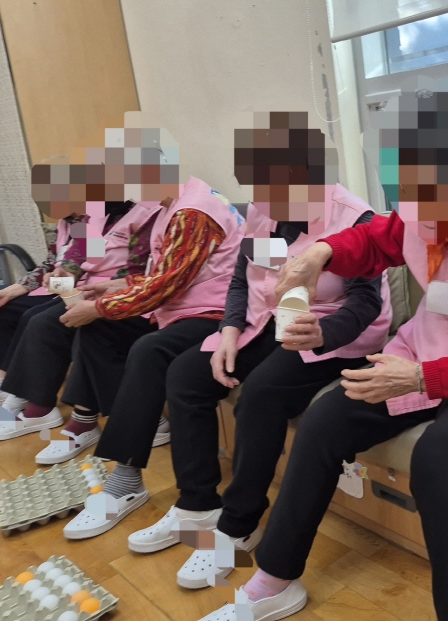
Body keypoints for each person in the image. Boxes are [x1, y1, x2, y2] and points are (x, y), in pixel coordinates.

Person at [197, 81, 448, 621]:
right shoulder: (422, 203)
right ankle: (275, 578)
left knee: (441, 455)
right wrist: (320, 252)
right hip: (433, 347)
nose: (418, 208)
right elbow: (378, 238)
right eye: (408, 186)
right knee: (326, 419)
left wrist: (418, 380)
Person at [67, 113, 392, 596]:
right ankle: (197, 504)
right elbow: (244, 279)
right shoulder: (264, 209)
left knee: (260, 394)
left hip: (332, 334)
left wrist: (321, 333)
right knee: (186, 374)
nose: (260, 197)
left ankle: (239, 525)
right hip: (267, 320)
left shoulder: (355, 219)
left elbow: (365, 303)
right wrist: (229, 331)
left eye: (270, 185)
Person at [30, 175, 244, 472]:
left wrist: (102, 304)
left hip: (210, 309)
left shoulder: (190, 212)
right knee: (91, 327)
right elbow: (160, 270)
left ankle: (124, 466)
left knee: (145, 347)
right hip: (172, 302)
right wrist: (115, 285)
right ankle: (84, 420)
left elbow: (165, 282)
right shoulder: (163, 206)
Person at [0, 116, 176, 443]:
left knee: (57, 322)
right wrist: (63, 277)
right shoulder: (95, 216)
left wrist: (90, 296)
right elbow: (78, 258)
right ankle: (22, 399)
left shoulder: (152, 215)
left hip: (148, 301)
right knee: (33, 316)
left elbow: (138, 272)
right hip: (99, 291)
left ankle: (81, 415)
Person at [0, 215, 85, 419]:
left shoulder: (95, 223)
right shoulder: (64, 224)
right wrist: (9, 292)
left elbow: (95, 269)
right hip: (58, 287)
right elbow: (49, 264)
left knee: (34, 317)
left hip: (80, 291)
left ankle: (23, 396)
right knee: (3, 309)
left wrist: (57, 281)